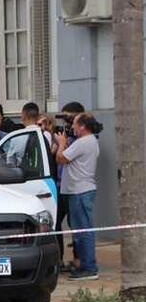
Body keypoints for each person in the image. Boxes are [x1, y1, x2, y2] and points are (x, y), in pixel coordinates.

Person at [56, 112, 102, 281]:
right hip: (79, 191)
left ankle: (89, 267)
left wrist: (61, 143)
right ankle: (85, 264)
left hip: (79, 191)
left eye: (75, 124)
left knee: (83, 231)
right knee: (81, 231)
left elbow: (61, 158)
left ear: (83, 126)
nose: (72, 127)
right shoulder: (90, 141)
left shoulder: (83, 142)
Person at [55, 101, 86, 270]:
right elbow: (55, 155)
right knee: (55, 222)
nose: (67, 122)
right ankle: (57, 259)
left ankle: (79, 260)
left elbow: (64, 157)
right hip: (61, 185)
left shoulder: (84, 137)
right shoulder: (65, 134)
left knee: (77, 225)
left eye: (70, 118)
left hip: (75, 188)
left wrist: (63, 143)